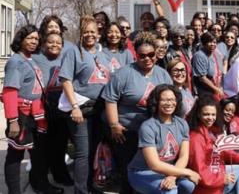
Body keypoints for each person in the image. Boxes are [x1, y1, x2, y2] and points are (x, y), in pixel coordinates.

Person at [102, 32, 173, 194]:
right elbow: (110, 99)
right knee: (128, 169)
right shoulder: (124, 73)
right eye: (142, 55)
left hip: (152, 133)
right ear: (136, 55)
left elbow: (171, 100)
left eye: (151, 55)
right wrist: (114, 125)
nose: (147, 58)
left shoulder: (163, 75)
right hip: (126, 131)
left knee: (150, 170)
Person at [3, 25, 63, 194]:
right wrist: (13, 120)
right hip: (21, 114)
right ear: (20, 39)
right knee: (16, 154)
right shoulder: (16, 61)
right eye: (29, 38)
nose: (33, 41)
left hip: (36, 114)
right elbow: (9, 92)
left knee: (38, 153)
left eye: (36, 39)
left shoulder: (30, 59)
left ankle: (41, 184)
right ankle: (14, 191)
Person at [59, 16, 111, 194]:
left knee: (94, 150)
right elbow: (65, 80)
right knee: (83, 153)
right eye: (86, 32)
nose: (90, 35)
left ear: (98, 34)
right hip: (81, 109)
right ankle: (80, 190)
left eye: (93, 32)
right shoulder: (74, 52)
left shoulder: (103, 55)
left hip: (100, 109)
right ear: (81, 34)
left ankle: (91, 186)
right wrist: (74, 106)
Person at [127, 85, 200, 194]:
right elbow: (154, 164)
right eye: (164, 100)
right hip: (143, 172)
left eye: (172, 99)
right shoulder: (148, 127)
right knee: (170, 191)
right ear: (156, 103)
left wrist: (173, 176)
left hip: (169, 170)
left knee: (188, 185)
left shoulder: (182, 123)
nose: (169, 103)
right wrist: (187, 172)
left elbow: (183, 156)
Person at [187, 95, 239, 194]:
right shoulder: (196, 137)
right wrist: (221, 179)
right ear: (198, 114)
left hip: (217, 172)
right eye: (206, 114)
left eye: (213, 114)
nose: (210, 118)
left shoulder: (210, 131)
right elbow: (200, 171)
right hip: (207, 186)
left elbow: (223, 150)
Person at [33, 32, 73, 187]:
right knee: (42, 147)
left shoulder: (66, 58)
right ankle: (39, 179)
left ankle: (60, 174)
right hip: (42, 107)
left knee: (60, 144)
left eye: (58, 42)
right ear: (44, 44)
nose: (55, 45)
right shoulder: (36, 58)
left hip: (62, 107)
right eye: (51, 42)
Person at [191, 32, 223, 98]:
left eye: (214, 42)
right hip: (204, 91)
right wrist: (216, 89)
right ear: (204, 43)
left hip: (215, 88)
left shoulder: (215, 54)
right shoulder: (199, 56)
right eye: (210, 42)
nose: (212, 44)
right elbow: (202, 78)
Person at [167, 25, 193, 90]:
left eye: (182, 37)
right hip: (175, 88)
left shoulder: (185, 51)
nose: (179, 38)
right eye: (176, 36)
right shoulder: (168, 54)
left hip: (187, 88)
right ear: (172, 38)